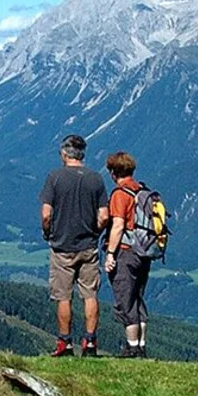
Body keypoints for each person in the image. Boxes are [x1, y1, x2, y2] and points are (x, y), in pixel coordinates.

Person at [38, 134, 108, 357]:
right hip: (88, 246)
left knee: (63, 296)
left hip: (62, 246)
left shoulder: (55, 178)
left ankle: (65, 343)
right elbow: (104, 215)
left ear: (64, 153)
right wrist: (95, 232)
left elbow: (46, 214)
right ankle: (90, 342)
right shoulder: (96, 178)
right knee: (90, 295)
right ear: (82, 154)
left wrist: (48, 233)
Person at [103, 151, 150, 358]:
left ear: (114, 172)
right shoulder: (141, 191)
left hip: (126, 252)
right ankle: (141, 346)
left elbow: (118, 225)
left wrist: (110, 254)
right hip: (144, 252)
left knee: (125, 299)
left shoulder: (120, 194)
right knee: (138, 298)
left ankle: (131, 349)